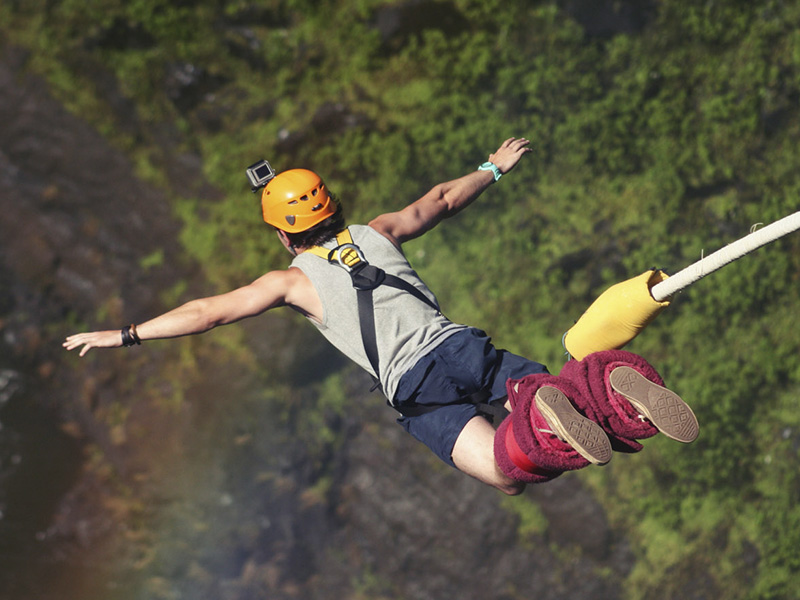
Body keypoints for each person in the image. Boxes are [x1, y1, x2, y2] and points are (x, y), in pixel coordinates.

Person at [64, 138, 698, 495]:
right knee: (559, 398)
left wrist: (124, 334)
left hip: (416, 389)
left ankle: (541, 419)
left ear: (285, 239)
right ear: (335, 211)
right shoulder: (380, 231)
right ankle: (604, 391)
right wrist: (492, 168)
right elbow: (443, 199)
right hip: (462, 347)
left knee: (508, 471)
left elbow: (206, 313)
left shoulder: (288, 282)